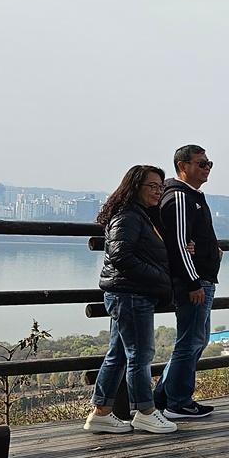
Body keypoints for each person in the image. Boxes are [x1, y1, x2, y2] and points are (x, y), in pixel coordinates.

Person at [83, 165, 178, 435]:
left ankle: (101, 412)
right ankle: (145, 412)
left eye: (161, 187)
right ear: (135, 186)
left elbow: (144, 252)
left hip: (129, 293)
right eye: (152, 186)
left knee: (119, 354)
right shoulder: (128, 216)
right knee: (140, 354)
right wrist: (159, 279)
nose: (158, 191)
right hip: (131, 294)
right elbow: (121, 255)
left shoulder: (141, 216)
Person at [154, 145, 221, 419]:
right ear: (183, 166)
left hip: (200, 278)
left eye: (209, 164)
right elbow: (180, 243)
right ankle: (178, 402)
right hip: (194, 282)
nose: (207, 168)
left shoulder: (191, 196)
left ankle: (164, 397)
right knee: (190, 341)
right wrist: (193, 281)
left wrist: (211, 251)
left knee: (197, 339)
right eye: (201, 163)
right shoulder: (180, 197)